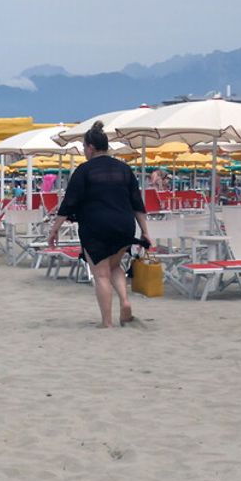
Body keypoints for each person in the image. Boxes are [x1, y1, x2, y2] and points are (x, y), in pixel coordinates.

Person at [46, 121, 151, 329]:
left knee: (101, 274)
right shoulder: (124, 169)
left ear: (91, 148)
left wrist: (54, 229)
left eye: (84, 147)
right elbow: (137, 203)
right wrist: (146, 232)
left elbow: (69, 203)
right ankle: (125, 301)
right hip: (124, 225)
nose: (84, 151)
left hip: (96, 226)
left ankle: (107, 322)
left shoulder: (84, 171)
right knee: (114, 266)